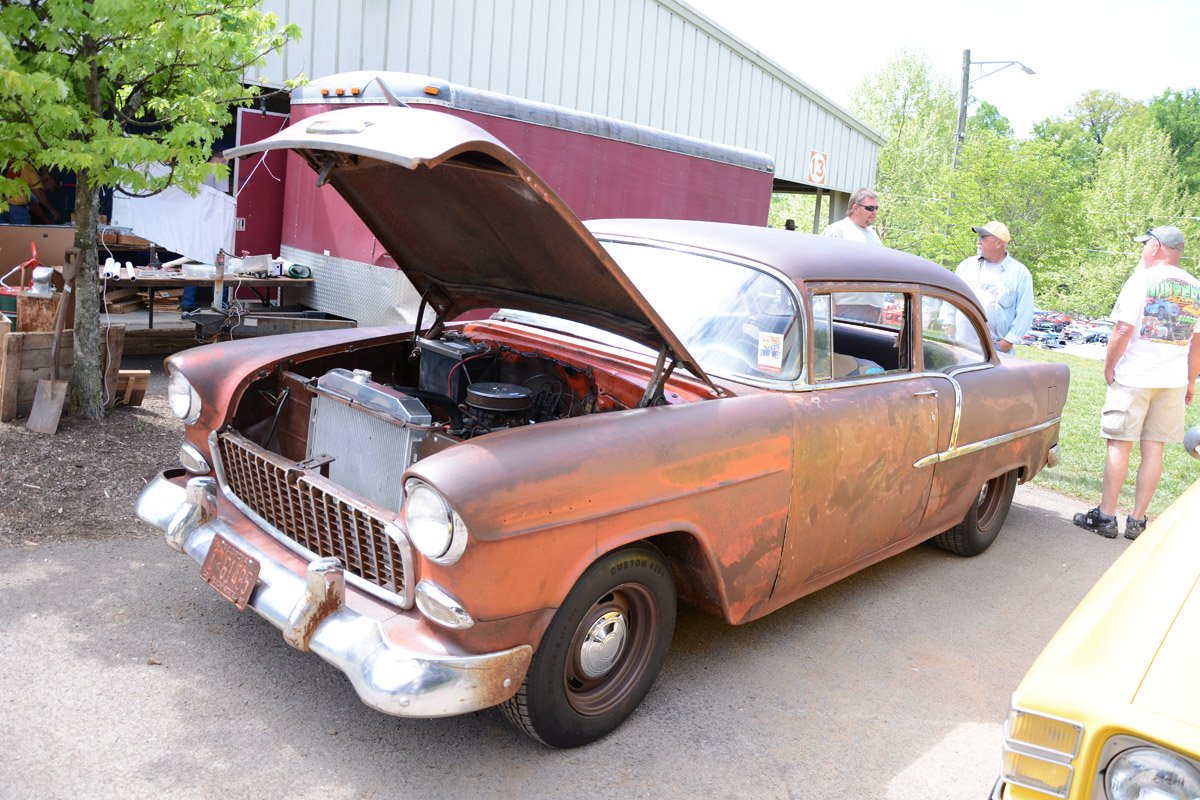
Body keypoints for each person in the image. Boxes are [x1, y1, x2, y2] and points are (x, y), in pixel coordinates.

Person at [1073, 225, 1200, 540]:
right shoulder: (1195, 287)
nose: (1143, 250)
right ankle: (1137, 520)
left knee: (1120, 443)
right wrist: (1190, 380)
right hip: (1171, 380)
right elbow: (1197, 342)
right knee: (1153, 448)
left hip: (1136, 376)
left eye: (1146, 245)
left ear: (1156, 247)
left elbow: (1122, 330)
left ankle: (1105, 516)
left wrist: (1109, 366)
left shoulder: (1142, 280)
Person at [954, 220, 1034, 353]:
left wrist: (1007, 342)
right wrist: (948, 326)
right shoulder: (966, 266)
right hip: (961, 344)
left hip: (995, 350)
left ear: (998, 243)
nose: (978, 242)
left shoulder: (1020, 273)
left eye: (983, 238)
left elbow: (1025, 312)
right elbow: (952, 295)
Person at [823, 188, 882, 321]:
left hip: (872, 307)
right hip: (846, 304)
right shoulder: (837, 230)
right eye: (870, 208)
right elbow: (825, 269)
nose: (875, 212)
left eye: (876, 208)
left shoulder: (874, 235)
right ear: (855, 208)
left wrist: (880, 305)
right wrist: (829, 304)